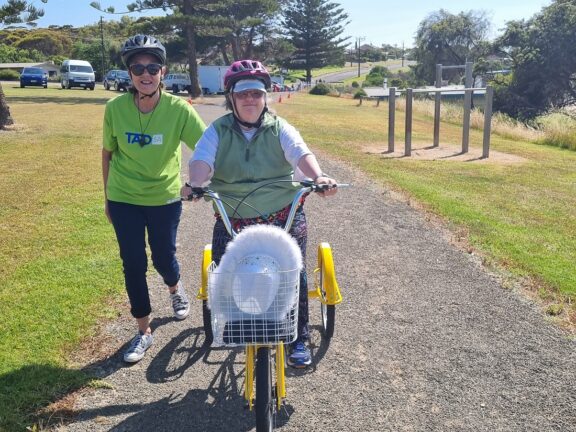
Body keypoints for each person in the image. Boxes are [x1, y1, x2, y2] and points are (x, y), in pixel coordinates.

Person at [182, 59, 337, 368]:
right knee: (225, 270)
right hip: (233, 215)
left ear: (266, 96)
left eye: (256, 93)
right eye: (242, 94)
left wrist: (318, 177)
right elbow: (202, 159)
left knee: (294, 272)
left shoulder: (279, 127)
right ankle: (237, 321)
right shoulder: (218, 130)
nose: (250, 100)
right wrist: (196, 183)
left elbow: (300, 152)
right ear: (231, 98)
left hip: (283, 213)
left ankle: (299, 336)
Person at [102, 34, 206, 363]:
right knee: (133, 262)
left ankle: (175, 290)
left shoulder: (178, 109)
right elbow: (107, 153)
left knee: (162, 257)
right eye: (137, 68)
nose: (145, 74)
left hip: (163, 198)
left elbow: (206, 148)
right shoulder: (115, 108)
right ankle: (143, 331)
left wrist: (203, 180)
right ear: (129, 74)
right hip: (123, 197)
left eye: (152, 67)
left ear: (163, 71)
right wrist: (107, 197)